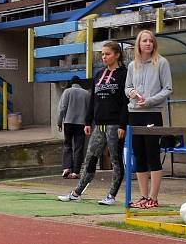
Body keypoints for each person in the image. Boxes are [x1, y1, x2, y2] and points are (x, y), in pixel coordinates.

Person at [58, 42, 129, 205]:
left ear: (117, 55)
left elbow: (126, 102)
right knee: (90, 158)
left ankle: (111, 195)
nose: (104, 57)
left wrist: (123, 125)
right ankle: (77, 192)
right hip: (99, 124)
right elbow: (93, 100)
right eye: (102, 54)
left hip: (115, 124)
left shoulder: (124, 74)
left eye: (108, 54)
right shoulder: (98, 75)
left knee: (116, 160)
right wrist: (88, 121)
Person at [125, 30, 173, 209]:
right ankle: (144, 196)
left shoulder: (161, 63)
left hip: (152, 113)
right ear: (138, 44)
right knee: (139, 156)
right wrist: (131, 93)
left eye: (151, 41)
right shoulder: (132, 66)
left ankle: (153, 197)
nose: (148, 44)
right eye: (144, 40)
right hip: (134, 113)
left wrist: (150, 100)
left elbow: (168, 88)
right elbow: (127, 87)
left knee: (153, 154)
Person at [57, 76, 90, 179]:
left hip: (68, 122)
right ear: (80, 83)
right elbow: (89, 110)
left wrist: (59, 122)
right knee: (79, 147)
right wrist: (89, 124)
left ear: (71, 83)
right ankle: (75, 172)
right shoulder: (86, 93)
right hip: (81, 124)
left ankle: (67, 167)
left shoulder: (67, 91)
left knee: (67, 144)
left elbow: (62, 108)